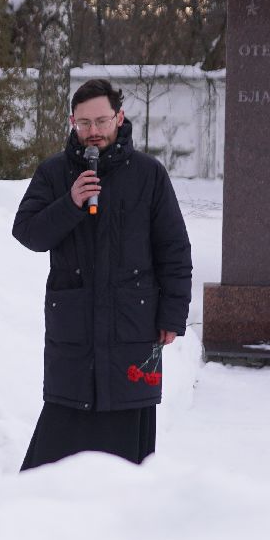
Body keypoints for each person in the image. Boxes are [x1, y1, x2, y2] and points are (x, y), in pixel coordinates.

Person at [12, 78, 192, 470]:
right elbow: (27, 233)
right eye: (83, 123)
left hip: (133, 323)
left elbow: (174, 251)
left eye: (101, 121)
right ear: (73, 123)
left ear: (119, 118)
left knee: (126, 425)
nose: (93, 132)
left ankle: (125, 518)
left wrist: (172, 316)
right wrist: (71, 203)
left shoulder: (149, 174)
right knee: (61, 427)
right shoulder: (55, 173)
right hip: (73, 327)